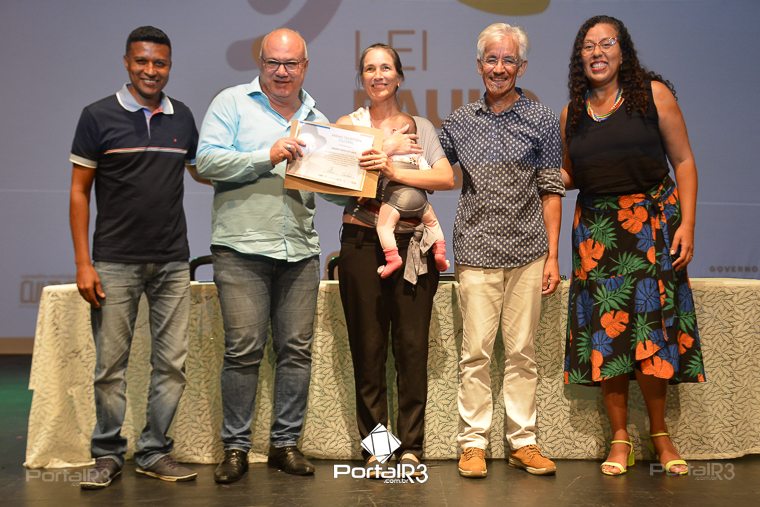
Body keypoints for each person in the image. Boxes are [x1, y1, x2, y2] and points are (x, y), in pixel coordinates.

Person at [561, 15, 705, 476]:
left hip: (652, 227)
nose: (597, 52)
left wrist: (688, 225)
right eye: (588, 46)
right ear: (580, 57)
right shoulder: (572, 112)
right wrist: (523, 172)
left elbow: (684, 161)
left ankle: (660, 436)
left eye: (606, 43)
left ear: (623, 52)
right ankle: (620, 437)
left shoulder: (652, 95)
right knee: (608, 335)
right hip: (598, 232)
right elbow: (569, 175)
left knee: (651, 333)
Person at [69, 26, 205, 489]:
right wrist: (83, 263)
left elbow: (206, 171)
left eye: (159, 63)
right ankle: (107, 453)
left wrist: (270, 158)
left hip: (172, 260)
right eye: (142, 61)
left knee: (171, 365)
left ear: (169, 66)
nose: (151, 70)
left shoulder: (182, 117)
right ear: (127, 63)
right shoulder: (97, 116)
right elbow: (79, 192)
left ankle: (153, 451)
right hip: (114, 262)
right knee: (110, 368)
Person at [196, 28, 328, 483]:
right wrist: (265, 155)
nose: (282, 72)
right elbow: (206, 162)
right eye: (273, 62)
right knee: (244, 350)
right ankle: (235, 448)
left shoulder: (316, 119)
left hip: (300, 250)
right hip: (241, 248)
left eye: (291, 64)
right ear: (260, 63)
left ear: (305, 67)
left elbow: (332, 189)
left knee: (296, 351)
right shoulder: (231, 103)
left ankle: (285, 444)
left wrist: (362, 174)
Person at [439, 23, 563, 478]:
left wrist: (553, 256)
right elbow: (428, 161)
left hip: (529, 251)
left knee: (522, 354)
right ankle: (472, 444)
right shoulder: (459, 121)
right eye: (491, 59)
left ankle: (522, 442)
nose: (499, 68)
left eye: (508, 60)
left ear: (521, 67)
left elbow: (551, 190)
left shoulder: (542, 119)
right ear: (479, 65)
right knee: (475, 354)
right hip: (475, 252)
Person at [335, 43, 455, 477]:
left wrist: (392, 169)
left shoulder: (420, 126)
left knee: (411, 348)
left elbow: (444, 177)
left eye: (386, 67)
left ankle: (411, 447)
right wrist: (381, 152)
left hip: (413, 246)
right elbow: (334, 181)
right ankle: (378, 449)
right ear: (362, 78)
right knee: (368, 351)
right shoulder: (347, 126)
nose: (378, 75)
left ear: (399, 76)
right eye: (369, 68)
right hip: (361, 244)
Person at [374, 112, 450, 278]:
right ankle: (440, 251)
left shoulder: (387, 156)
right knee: (433, 223)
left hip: (396, 200)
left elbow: (374, 177)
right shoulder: (418, 156)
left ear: (395, 132)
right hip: (420, 202)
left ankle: (393, 259)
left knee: (384, 227)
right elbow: (430, 182)